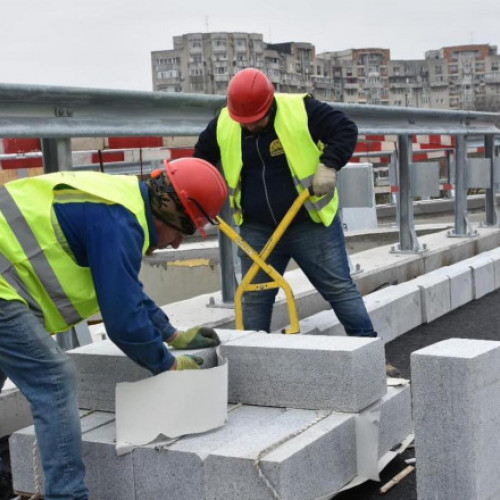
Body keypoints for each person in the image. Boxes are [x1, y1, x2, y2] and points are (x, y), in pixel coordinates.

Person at [0, 157, 228, 499]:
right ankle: (68, 495)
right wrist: (168, 363)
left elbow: (124, 289)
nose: (179, 242)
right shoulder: (119, 221)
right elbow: (123, 322)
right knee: (54, 379)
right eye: (185, 229)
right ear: (169, 211)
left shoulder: (123, 206)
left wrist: (171, 334)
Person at [194, 67, 400, 378]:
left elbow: (344, 129)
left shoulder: (300, 110)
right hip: (258, 228)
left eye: (256, 120)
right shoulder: (224, 123)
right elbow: (201, 161)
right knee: (254, 298)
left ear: (269, 103)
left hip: (308, 222)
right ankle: (252, 370)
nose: (250, 127)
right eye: (244, 122)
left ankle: (371, 358)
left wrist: (329, 165)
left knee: (339, 288)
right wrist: (199, 195)